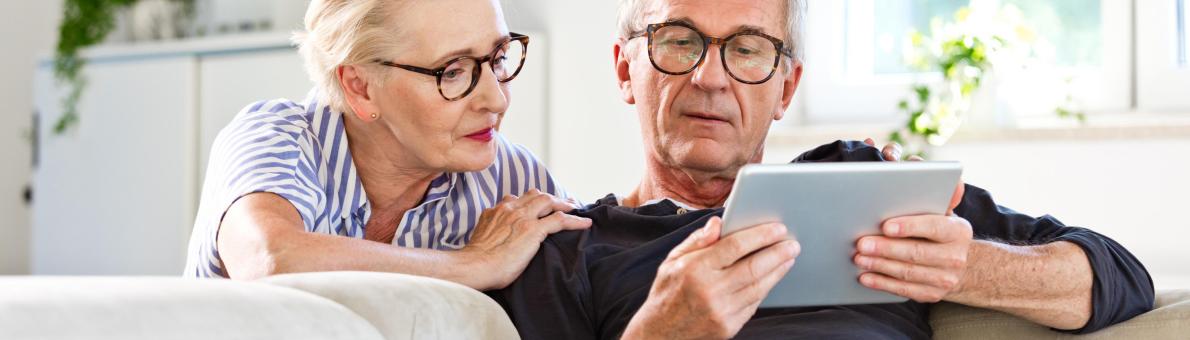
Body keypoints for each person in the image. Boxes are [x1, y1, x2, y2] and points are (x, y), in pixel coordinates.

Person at [486, 0, 1154, 338]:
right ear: (625, 69)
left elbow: (1121, 278)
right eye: (679, 41)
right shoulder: (570, 249)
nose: (709, 77)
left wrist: (967, 268)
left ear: (786, 87)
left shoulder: (865, 185)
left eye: (747, 49)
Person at [182, 0, 593, 292]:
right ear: (359, 87)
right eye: (452, 71)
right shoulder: (276, 139)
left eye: (499, 56)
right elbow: (270, 260)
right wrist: (474, 264)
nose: (497, 100)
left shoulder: (515, 178)